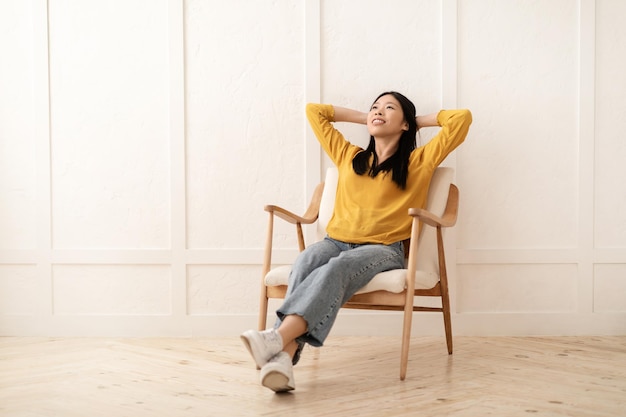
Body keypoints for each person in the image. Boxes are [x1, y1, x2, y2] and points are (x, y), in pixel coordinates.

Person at [241, 91, 472, 392]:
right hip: (335, 240)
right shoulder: (348, 156)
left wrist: (414, 121)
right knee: (307, 260)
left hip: (383, 249)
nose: (378, 111)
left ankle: (275, 336)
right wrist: (367, 118)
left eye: (389, 108)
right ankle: (283, 357)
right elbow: (315, 111)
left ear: (405, 125)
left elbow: (461, 119)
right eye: (374, 107)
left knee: (337, 267)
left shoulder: (420, 161)